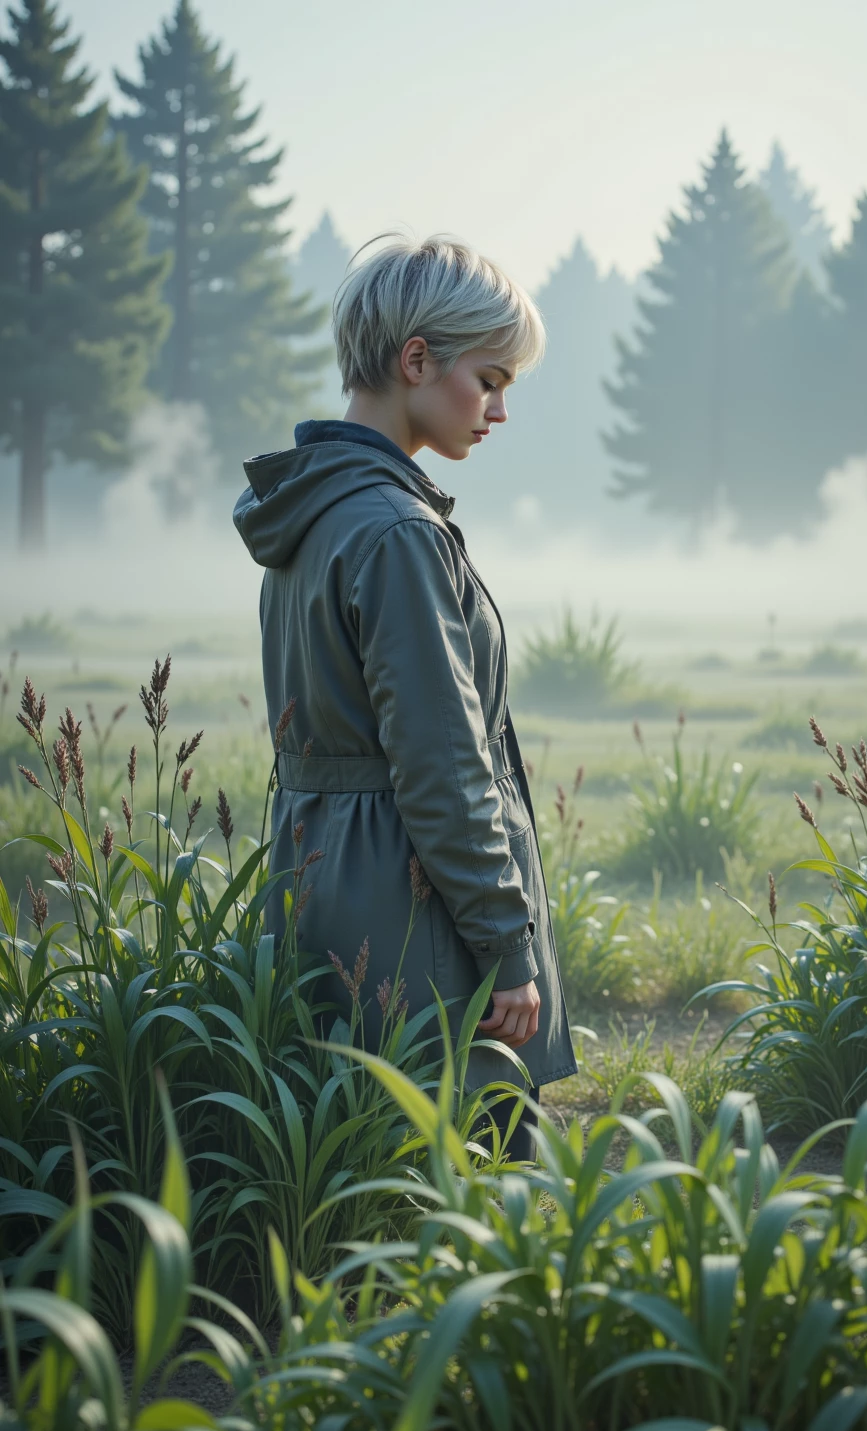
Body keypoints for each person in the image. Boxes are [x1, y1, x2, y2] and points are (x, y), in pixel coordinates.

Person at [233, 234, 577, 1157]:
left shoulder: (313, 514)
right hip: (411, 901)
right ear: (416, 360)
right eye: (490, 378)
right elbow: (442, 764)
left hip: (319, 884)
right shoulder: (394, 532)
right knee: (481, 1187)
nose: (500, 409)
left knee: (358, 1167)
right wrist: (508, 944)